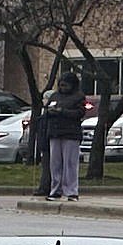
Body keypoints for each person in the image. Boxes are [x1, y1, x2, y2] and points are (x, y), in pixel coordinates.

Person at [46, 73, 85, 202]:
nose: (63, 88)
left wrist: (61, 111)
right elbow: (47, 110)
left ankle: (72, 191)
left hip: (71, 134)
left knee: (70, 163)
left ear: (72, 85)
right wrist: (50, 111)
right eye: (61, 85)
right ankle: (55, 190)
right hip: (55, 132)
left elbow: (79, 113)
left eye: (66, 85)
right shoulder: (54, 96)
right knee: (55, 164)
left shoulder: (78, 97)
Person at [32, 89, 55, 197]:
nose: (43, 100)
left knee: (48, 167)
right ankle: (45, 186)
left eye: (45, 98)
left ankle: (45, 187)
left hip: (48, 143)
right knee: (46, 166)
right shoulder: (44, 112)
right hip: (45, 143)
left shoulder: (49, 114)